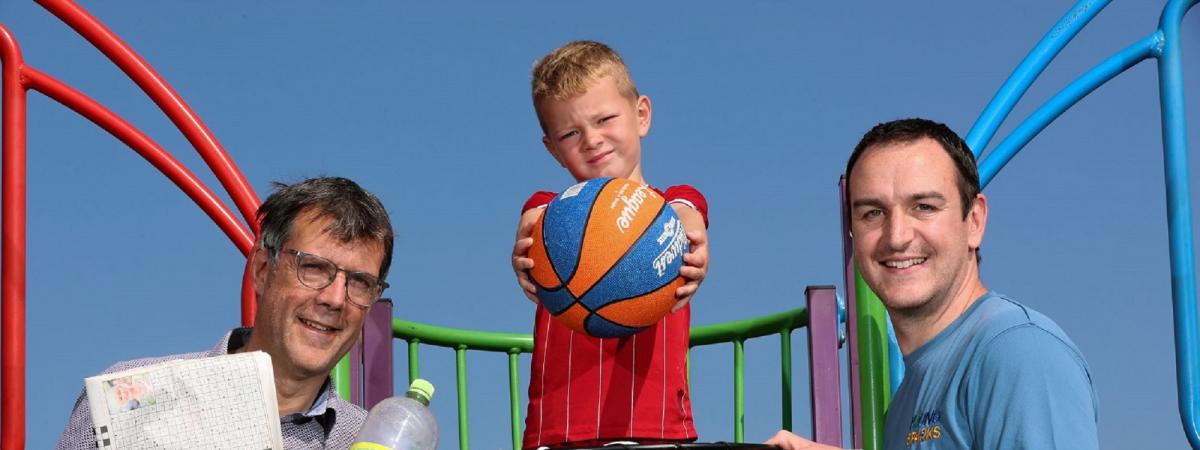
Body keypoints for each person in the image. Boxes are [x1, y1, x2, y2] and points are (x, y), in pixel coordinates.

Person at [767, 118, 1098, 449]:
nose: (897, 237)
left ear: (974, 221)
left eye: (924, 207)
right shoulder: (906, 401)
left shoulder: (1019, 353)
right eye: (873, 213)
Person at [56, 176, 394, 450]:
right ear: (262, 269)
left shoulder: (373, 441)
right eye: (315, 268)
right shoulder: (131, 398)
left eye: (360, 282)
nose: (335, 299)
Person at [510, 40, 710, 449]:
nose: (591, 139)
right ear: (553, 151)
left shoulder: (672, 207)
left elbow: (688, 212)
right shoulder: (546, 213)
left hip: (658, 431)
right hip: (557, 433)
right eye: (570, 133)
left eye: (605, 119)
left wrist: (690, 241)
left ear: (641, 115)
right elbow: (532, 221)